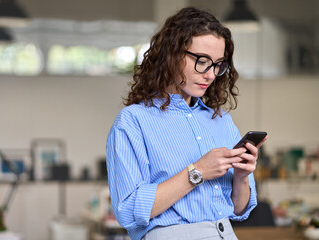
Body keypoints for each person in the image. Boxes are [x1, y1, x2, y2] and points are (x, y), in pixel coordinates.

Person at [106, 7, 267, 240]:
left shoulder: (221, 121)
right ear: (171, 54)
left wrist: (242, 176)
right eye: (202, 61)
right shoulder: (133, 122)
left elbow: (240, 209)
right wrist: (198, 170)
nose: (210, 75)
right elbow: (128, 211)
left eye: (218, 64)